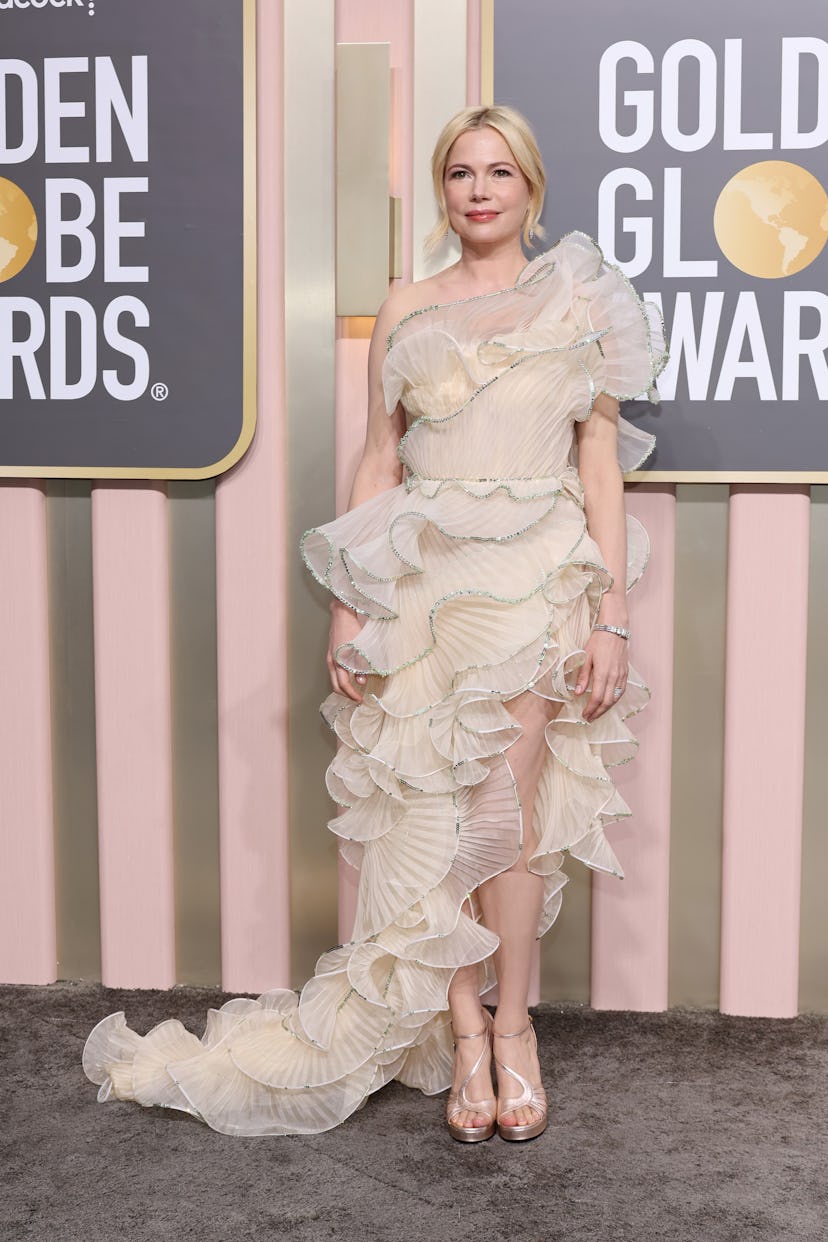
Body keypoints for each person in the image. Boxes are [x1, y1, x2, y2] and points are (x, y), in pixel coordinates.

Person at [83, 105, 665, 1142]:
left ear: (532, 187)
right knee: (431, 819)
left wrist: (612, 616)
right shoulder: (406, 304)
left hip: (536, 575)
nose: (479, 190)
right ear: (442, 191)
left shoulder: (582, 298)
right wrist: (350, 604)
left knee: (510, 814)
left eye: (499, 172)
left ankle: (516, 1024)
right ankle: (464, 1035)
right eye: (459, 173)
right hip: (422, 583)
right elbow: (377, 462)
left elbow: (600, 468)